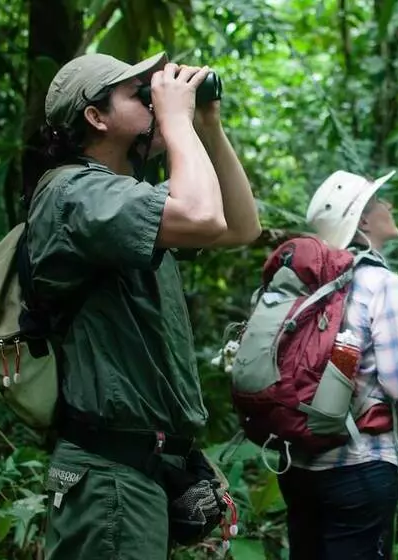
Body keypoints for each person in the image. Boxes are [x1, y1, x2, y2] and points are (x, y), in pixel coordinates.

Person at [30, 52, 261, 559]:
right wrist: (176, 120)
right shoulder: (75, 195)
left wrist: (207, 125)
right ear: (96, 117)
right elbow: (202, 216)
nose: (156, 101)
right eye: (141, 95)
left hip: (136, 473)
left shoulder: (123, 199)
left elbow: (240, 226)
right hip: (108, 474)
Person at [277, 170, 398, 559]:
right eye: (381, 201)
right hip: (359, 463)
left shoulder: (299, 281)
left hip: (297, 462)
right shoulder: (382, 283)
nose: (391, 206)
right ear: (363, 220)